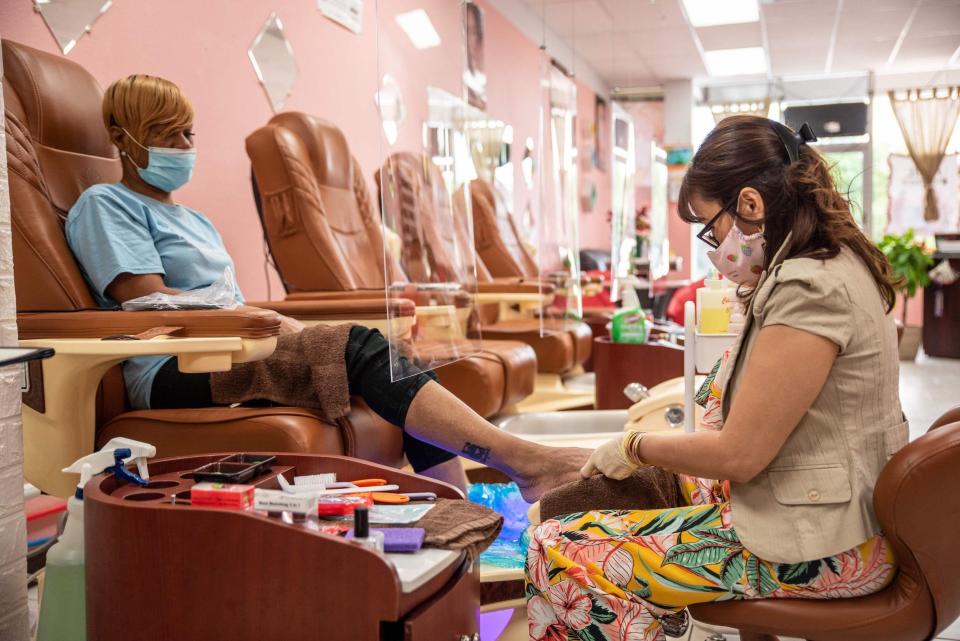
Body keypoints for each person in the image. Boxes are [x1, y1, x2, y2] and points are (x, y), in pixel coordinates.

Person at [66, 74, 589, 500]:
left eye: (188, 134)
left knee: (392, 355)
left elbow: (227, 302)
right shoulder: (105, 205)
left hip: (233, 347)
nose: (183, 146)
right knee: (361, 348)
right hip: (177, 366)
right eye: (166, 133)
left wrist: (264, 325)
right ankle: (522, 462)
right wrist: (260, 324)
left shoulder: (194, 218)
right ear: (123, 137)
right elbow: (144, 298)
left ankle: (458, 510)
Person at [526, 116, 907, 641]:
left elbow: (740, 456)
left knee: (559, 547)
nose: (714, 245)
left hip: (825, 546)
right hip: (837, 517)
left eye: (711, 226)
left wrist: (636, 446)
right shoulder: (829, 263)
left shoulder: (807, 285)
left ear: (750, 205)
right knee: (609, 510)